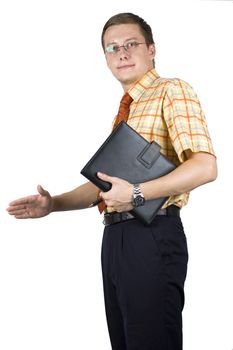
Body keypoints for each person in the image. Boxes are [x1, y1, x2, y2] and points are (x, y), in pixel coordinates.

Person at [7, 12, 217, 350]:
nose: (122, 52)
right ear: (105, 59)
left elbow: (205, 167)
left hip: (151, 236)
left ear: (151, 50)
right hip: (116, 237)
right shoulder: (128, 110)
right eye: (112, 48)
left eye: (131, 44)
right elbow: (104, 186)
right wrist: (54, 204)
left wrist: (136, 193)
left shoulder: (171, 90)